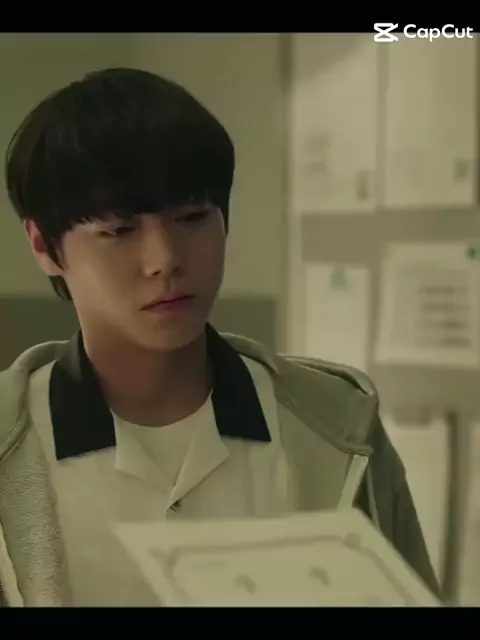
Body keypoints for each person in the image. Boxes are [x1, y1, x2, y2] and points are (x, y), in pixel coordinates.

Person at [0, 67, 440, 607]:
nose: (165, 260)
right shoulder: (13, 445)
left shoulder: (336, 428)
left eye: (192, 217)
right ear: (44, 246)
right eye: (118, 231)